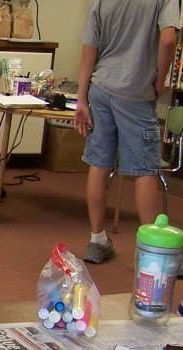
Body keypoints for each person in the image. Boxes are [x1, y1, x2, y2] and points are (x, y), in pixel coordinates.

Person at [75, 0, 180, 264]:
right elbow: (168, 40)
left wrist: (81, 99)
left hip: (100, 89)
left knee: (99, 163)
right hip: (135, 92)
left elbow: (89, 49)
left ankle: (97, 240)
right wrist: (160, 78)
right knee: (145, 168)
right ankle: (152, 251)